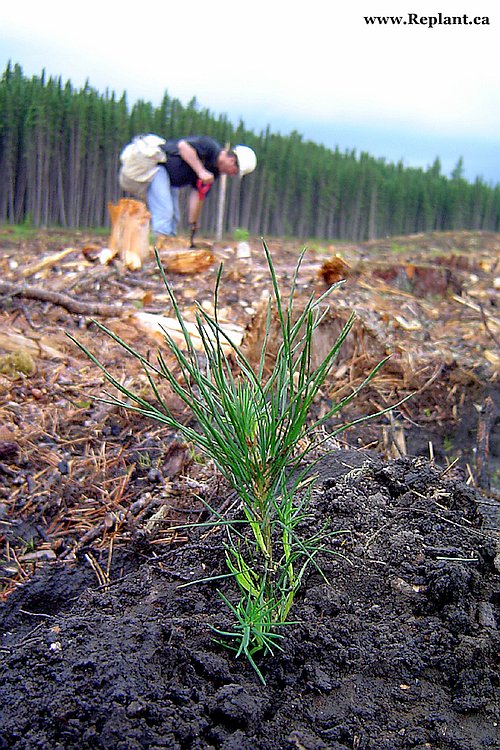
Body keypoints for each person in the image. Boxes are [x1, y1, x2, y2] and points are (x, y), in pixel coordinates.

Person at [147, 136, 257, 241]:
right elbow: (183, 146)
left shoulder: (214, 172)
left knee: (174, 217)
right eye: (235, 171)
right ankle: (158, 251)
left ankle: (167, 249)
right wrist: (200, 171)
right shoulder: (209, 146)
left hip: (171, 182)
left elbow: (197, 193)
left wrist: (193, 221)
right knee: (164, 214)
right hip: (158, 168)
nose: (232, 174)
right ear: (232, 160)